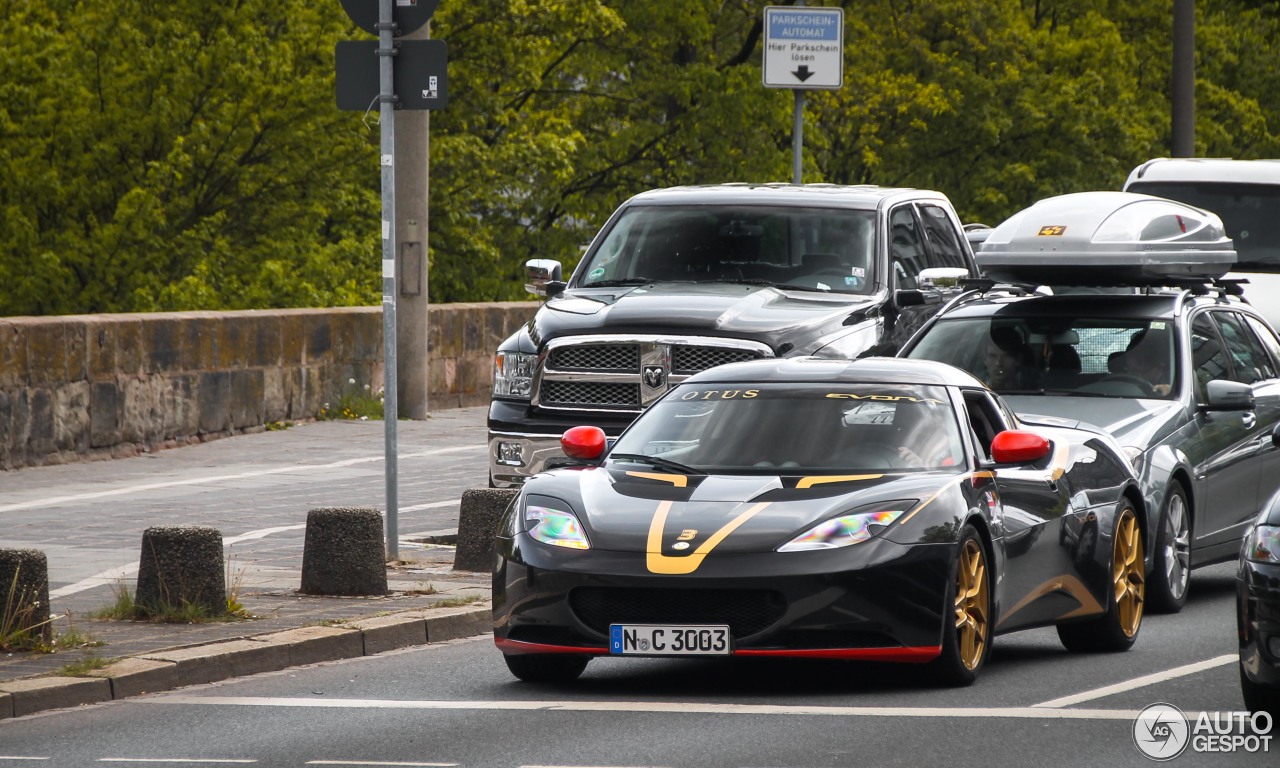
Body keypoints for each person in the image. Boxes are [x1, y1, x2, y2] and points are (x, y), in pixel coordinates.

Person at [1122, 329, 1172, 396]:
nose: (1132, 375)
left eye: (1139, 371)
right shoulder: (1115, 387)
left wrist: (1169, 391)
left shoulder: (1179, 387)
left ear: (1160, 367)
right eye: (1127, 369)